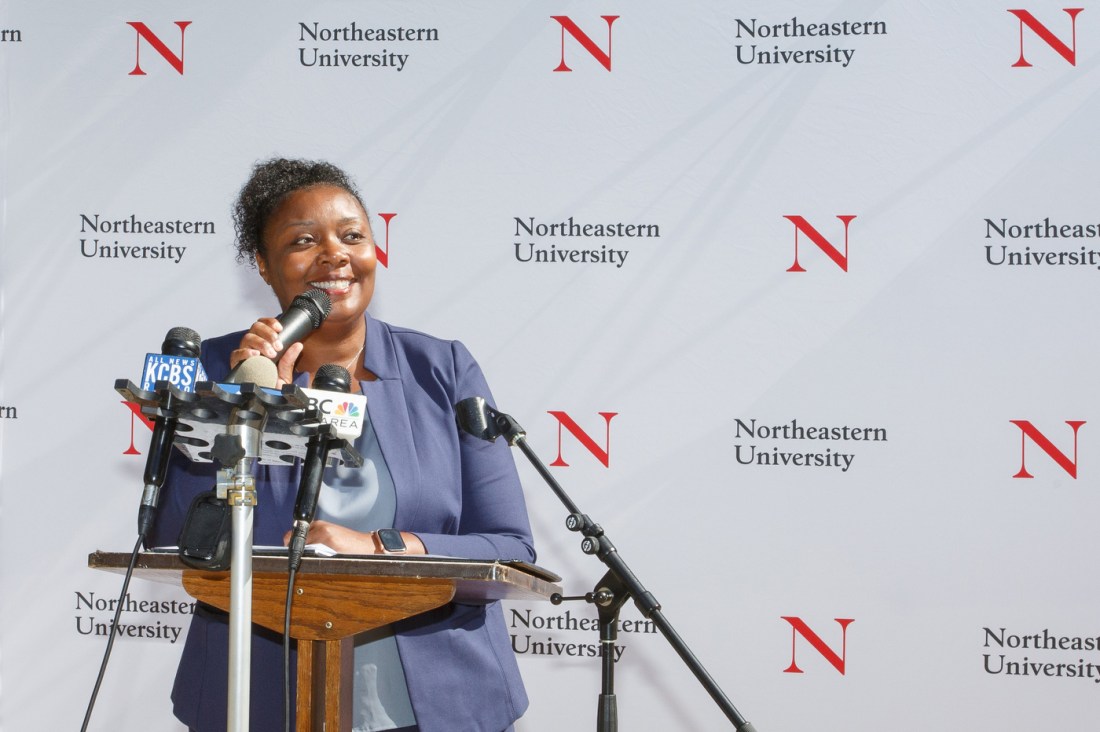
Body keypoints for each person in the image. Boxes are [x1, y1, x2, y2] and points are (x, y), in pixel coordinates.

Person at [149, 158, 536, 732]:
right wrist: (258, 411)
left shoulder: (442, 368)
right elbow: (172, 538)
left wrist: (380, 546)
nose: (335, 254)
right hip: (259, 697)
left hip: (441, 702)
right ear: (263, 264)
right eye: (304, 240)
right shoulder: (212, 368)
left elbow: (510, 547)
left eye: (352, 235)